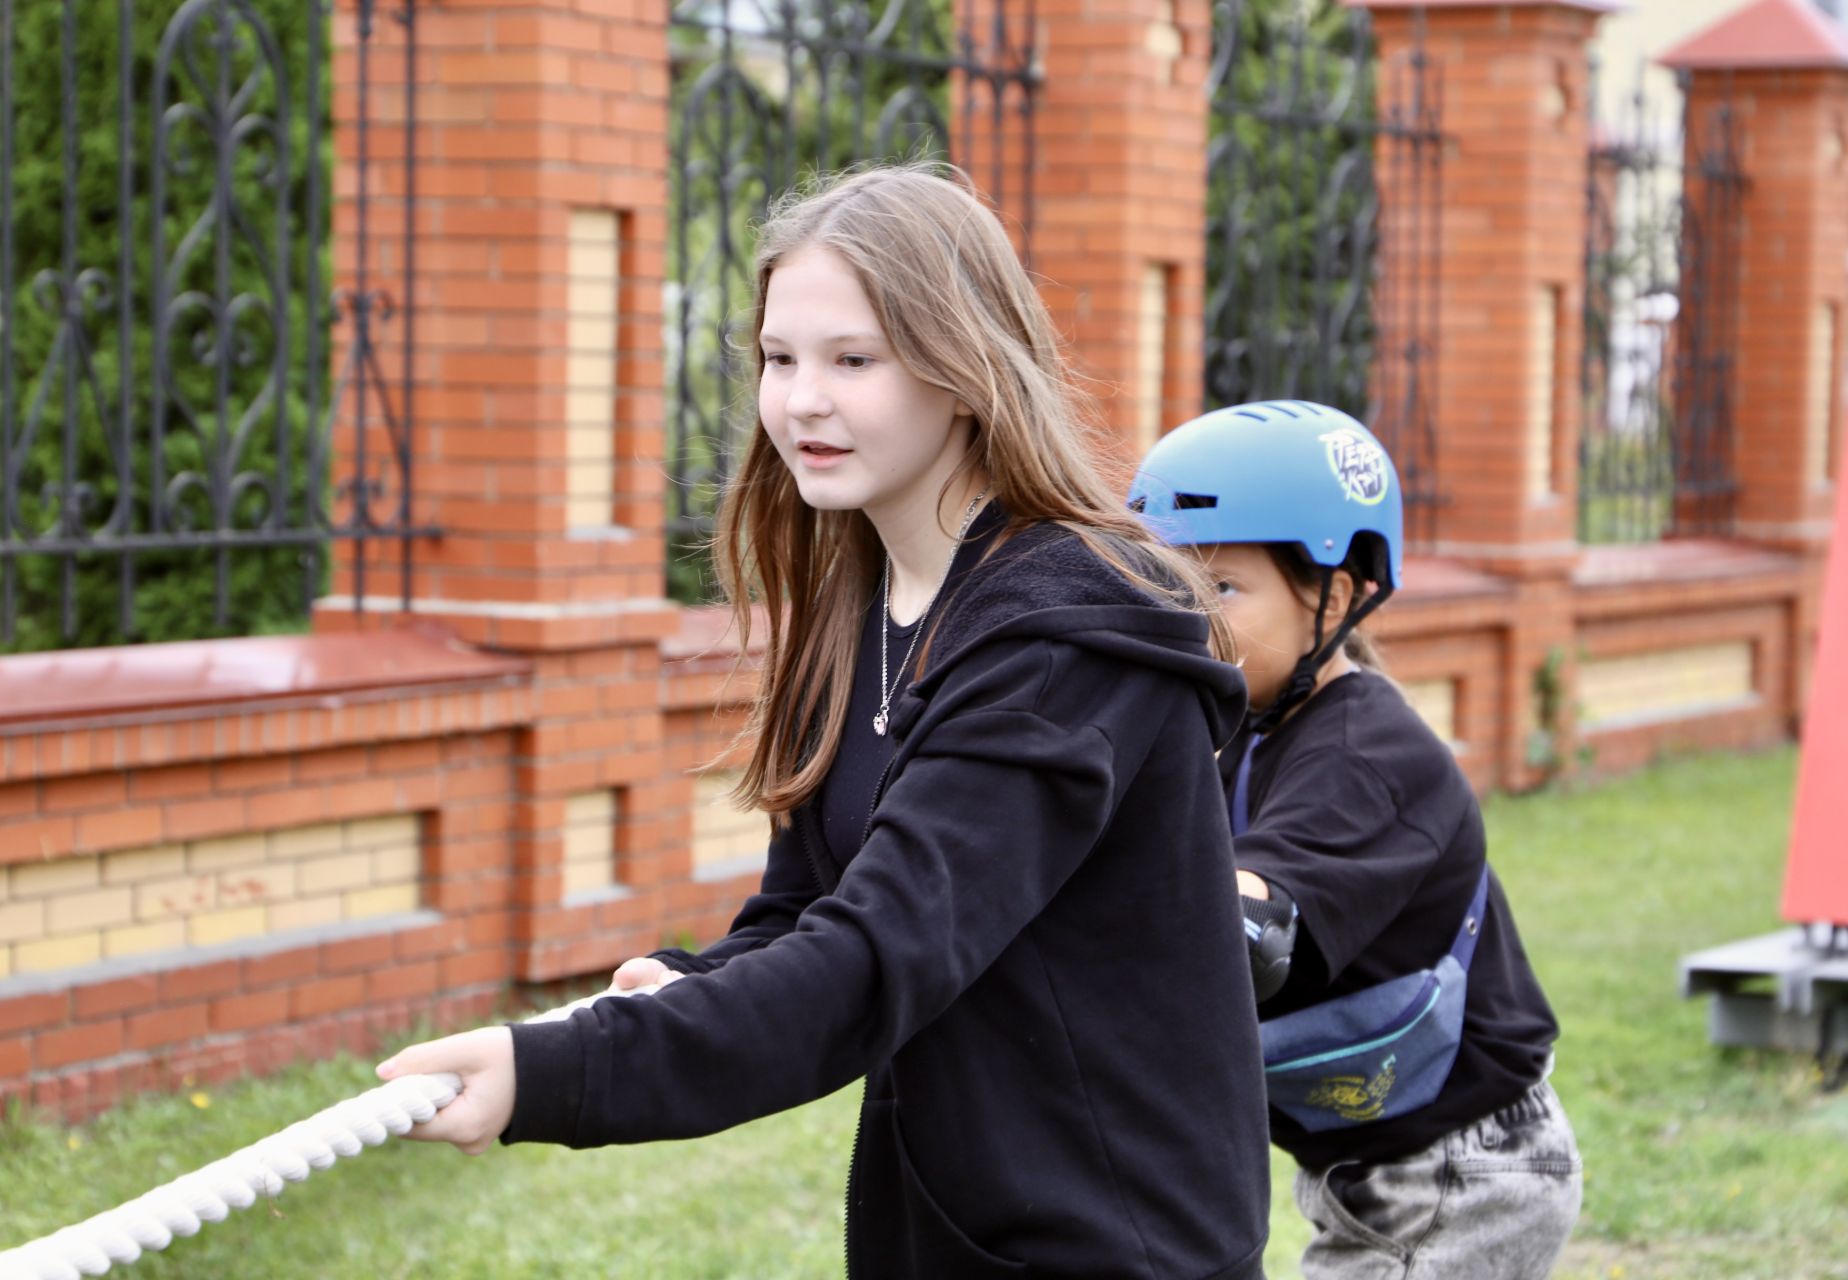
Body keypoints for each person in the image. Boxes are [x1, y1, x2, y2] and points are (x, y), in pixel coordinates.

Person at [376, 164, 1272, 1279]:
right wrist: (693, 986)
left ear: (963, 369)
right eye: (780, 357)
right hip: (944, 1228)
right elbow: (806, 910)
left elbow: (877, 952)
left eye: (854, 360)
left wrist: (557, 1070)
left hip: (1113, 1243)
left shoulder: (1064, 636)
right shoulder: (868, 603)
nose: (803, 399)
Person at [1129, 401, 1580, 1280]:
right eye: (1168, 588)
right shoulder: (1240, 727)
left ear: (1333, 596)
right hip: (1378, 1162)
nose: (1187, 619)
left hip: (1461, 1169)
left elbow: (1255, 934)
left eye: (1220, 589)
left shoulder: (1366, 753)